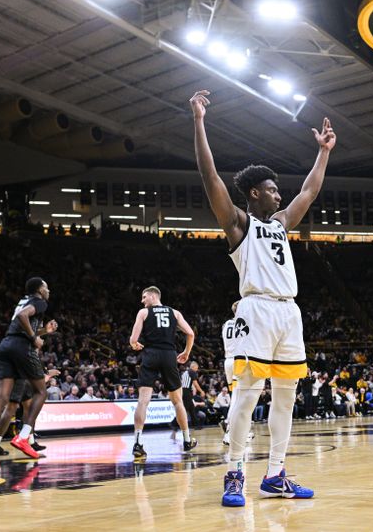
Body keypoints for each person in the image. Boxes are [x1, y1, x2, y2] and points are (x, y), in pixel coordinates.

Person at [190, 89, 335, 507]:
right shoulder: (238, 224)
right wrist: (199, 121)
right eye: (272, 190)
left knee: (288, 397)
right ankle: (234, 470)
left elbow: (309, 191)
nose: (279, 195)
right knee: (248, 393)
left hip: (289, 312)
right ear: (254, 194)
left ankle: (275, 474)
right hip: (255, 308)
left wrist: (323, 153)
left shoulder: (282, 223)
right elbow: (210, 177)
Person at [0, 278, 58, 465]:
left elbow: (20, 324)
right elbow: (23, 318)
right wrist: (35, 337)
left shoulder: (23, 301)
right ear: (39, 290)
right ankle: (24, 436)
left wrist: (43, 331)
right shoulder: (39, 301)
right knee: (41, 391)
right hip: (21, 348)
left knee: (2, 397)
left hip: (6, 346)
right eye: (46, 287)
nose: (48, 290)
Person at [129, 286, 197, 459]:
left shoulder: (143, 313)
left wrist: (135, 345)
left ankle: (137, 442)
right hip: (169, 355)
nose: (142, 301)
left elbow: (133, 340)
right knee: (178, 401)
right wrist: (186, 353)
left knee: (143, 401)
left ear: (153, 296)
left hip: (150, 355)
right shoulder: (175, 313)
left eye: (144, 297)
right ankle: (187, 440)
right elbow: (190, 333)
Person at [221, 301, 253, 446]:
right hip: (238, 361)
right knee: (238, 398)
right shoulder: (244, 324)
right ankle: (229, 429)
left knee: (238, 396)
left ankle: (242, 432)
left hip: (228, 361)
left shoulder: (226, 324)